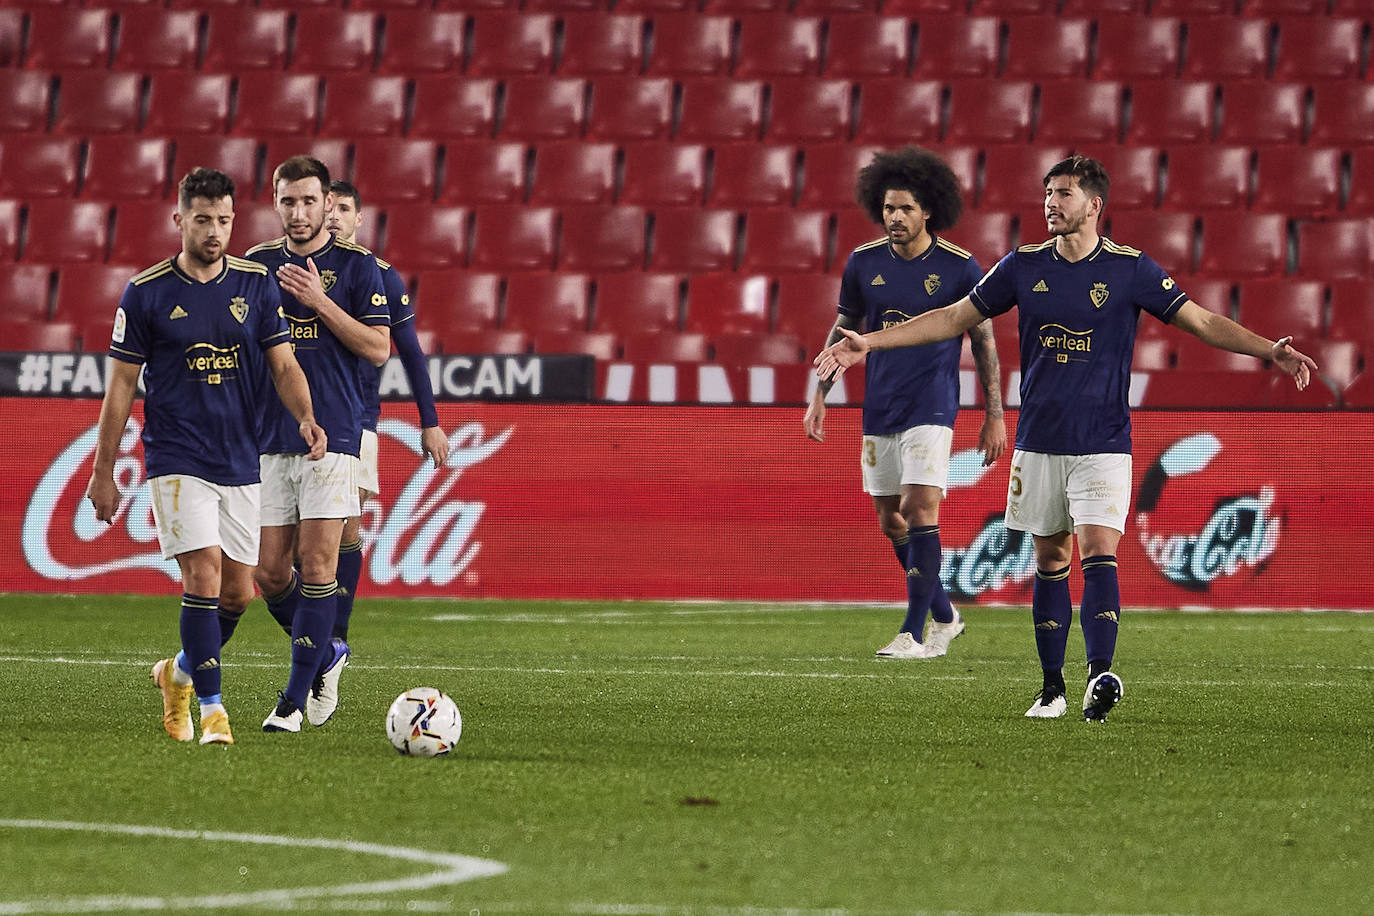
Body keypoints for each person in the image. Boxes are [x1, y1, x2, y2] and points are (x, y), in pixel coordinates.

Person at [816, 155, 1317, 722]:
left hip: (1104, 442)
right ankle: (1051, 689)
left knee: (1099, 549)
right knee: (1050, 558)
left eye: (1064, 194)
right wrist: (871, 343)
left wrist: (1267, 350)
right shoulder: (1022, 265)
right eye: (1048, 193)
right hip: (1038, 442)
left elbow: (1200, 321)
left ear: (1094, 204)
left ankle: (1100, 673)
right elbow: (954, 316)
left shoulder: (1131, 269)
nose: (1051, 203)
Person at [85, 167, 325, 746]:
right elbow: (120, 387)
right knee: (203, 574)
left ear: (233, 220)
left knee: (239, 592)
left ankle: (178, 674)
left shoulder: (255, 285)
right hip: (175, 457)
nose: (214, 231)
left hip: (243, 459)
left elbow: (284, 364)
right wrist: (102, 470)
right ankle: (213, 711)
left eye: (222, 220)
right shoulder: (145, 293)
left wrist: (306, 416)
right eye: (201, 220)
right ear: (180, 220)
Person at [803, 146, 1005, 660]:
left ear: (928, 210)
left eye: (906, 208)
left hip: (933, 405)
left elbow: (983, 341)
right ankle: (946, 614)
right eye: (889, 207)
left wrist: (994, 413)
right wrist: (819, 395)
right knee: (890, 521)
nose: (895, 216)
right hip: (881, 407)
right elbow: (844, 331)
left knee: (920, 508)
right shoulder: (863, 263)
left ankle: (914, 634)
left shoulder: (960, 268)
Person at [246, 155, 392, 733]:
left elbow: (379, 349)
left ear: (329, 204)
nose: (299, 212)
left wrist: (320, 302)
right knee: (267, 573)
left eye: (310, 201)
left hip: (334, 433)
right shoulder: (254, 265)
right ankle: (326, 653)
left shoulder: (358, 268)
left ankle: (292, 699)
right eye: (289, 201)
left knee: (317, 564)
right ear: (276, 203)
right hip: (268, 434)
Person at [306, 179, 451, 728]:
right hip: (280, 427)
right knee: (292, 555)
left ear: (359, 218)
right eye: (330, 207)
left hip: (353, 424)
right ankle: (322, 647)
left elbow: (409, 352)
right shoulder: (287, 270)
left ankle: (331, 645)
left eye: (345, 208)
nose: (336, 216)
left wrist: (430, 422)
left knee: (338, 534)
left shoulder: (375, 275)